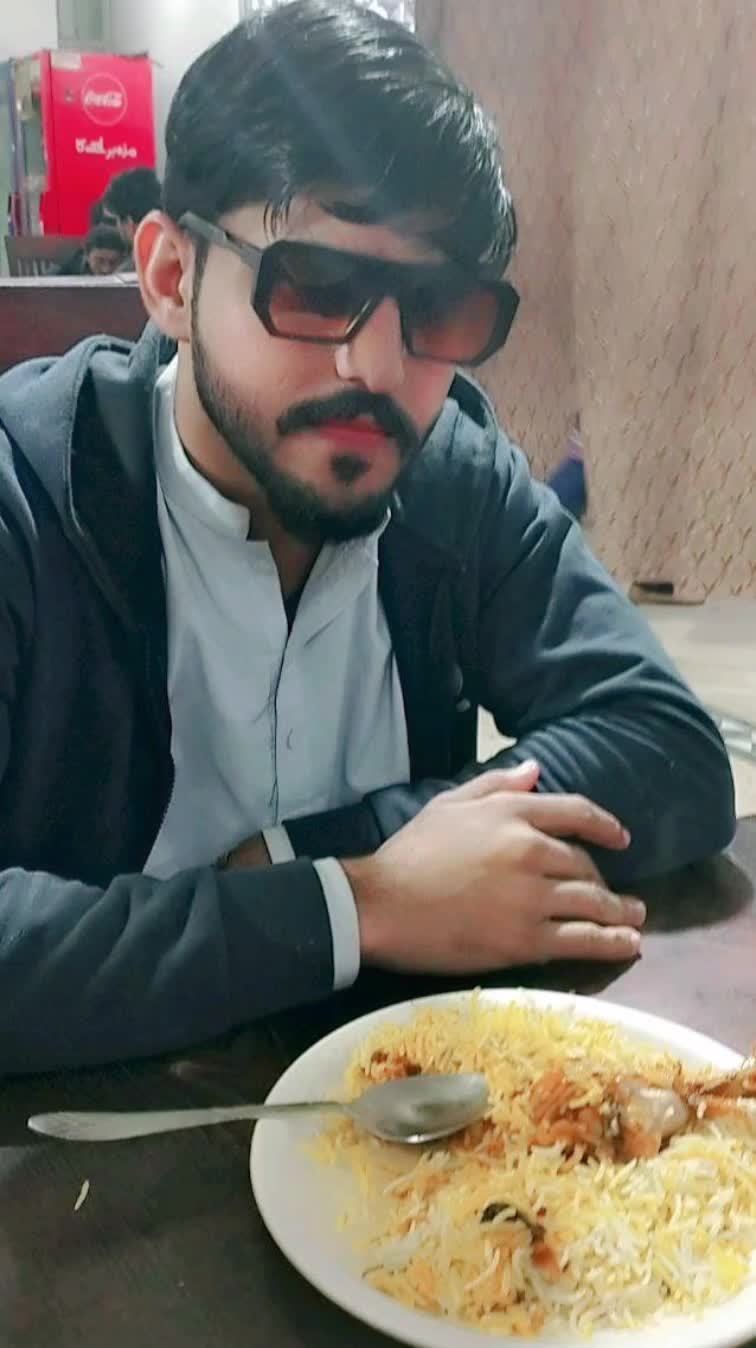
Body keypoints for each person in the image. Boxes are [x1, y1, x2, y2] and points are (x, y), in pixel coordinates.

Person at [0, 0, 734, 1075]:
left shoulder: (447, 475)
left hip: (403, 1108)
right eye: (317, 284)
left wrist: (301, 854)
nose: (379, 368)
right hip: (100, 1132)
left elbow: (666, 750)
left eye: (436, 308)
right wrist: (356, 902)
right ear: (171, 279)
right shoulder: (29, 495)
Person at [102, 165, 162, 256]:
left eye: (117, 220)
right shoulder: (179, 247)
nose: (118, 227)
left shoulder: (139, 263)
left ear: (130, 223)